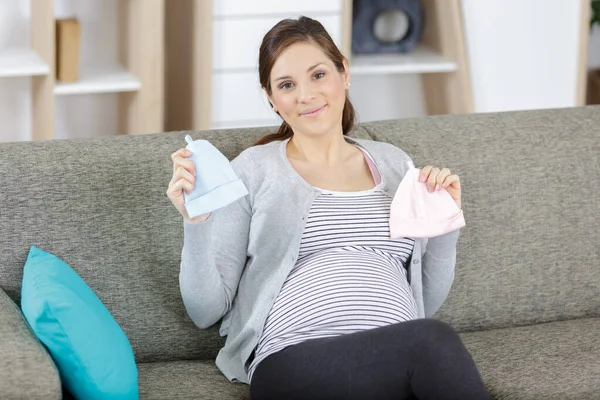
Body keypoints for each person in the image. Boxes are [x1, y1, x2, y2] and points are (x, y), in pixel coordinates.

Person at [167, 16, 491, 400]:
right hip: (291, 362)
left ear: (344, 74)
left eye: (318, 75)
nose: (305, 95)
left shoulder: (395, 164)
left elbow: (424, 298)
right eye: (287, 85)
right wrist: (196, 220)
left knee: (427, 344)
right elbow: (206, 311)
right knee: (433, 340)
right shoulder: (253, 169)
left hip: (393, 361)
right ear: (272, 98)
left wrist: (445, 225)